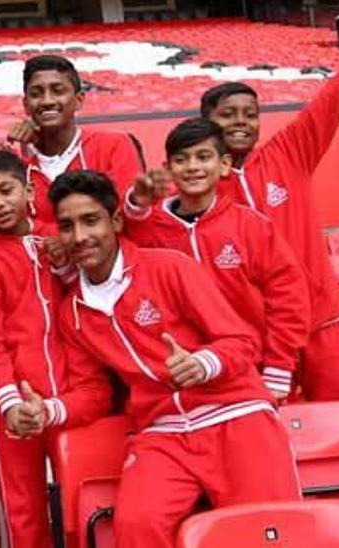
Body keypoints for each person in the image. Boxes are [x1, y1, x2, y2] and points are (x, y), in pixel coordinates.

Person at [43, 170, 300, 548]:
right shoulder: (72, 312)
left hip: (233, 413)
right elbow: (94, 392)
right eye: (67, 226)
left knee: (269, 532)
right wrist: (49, 410)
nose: (80, 236)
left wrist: (203, 363)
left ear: (115, 221)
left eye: (90, 220)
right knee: (134, 527)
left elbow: (241, 340)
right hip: (160, 433)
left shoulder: (168, 266)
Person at [199, 0, 339, 401]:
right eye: (228, 114)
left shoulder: (287, 153)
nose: (241, 121)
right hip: (251, 337)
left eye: (250, 114)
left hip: (318, 324)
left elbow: (335, 98)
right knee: (274, 435)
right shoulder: (194, 184)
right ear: (207, 122)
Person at [124, 119, 310, 402]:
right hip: (181, 371)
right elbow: (124, 237)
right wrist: (138, 202)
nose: (193, 167)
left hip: (252, 368)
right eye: (181, 159)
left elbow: (287, 297)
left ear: (223, 165)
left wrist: (278, 366)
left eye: (203, 157)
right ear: (168, 169)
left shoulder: (251, 226)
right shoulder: (152, 227)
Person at [0, 149, 67, 547]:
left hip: (73, 393)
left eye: (6, 190)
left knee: (81, 492)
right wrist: (9, 402)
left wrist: (62, 260)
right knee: (22, 507)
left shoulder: (61, 236)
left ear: (27, 189)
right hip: (15, 400)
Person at [9, 55, 143, 220]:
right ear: (26, 105)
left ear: (79, 99)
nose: (47, 101)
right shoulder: (15, 164)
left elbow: (126, 217)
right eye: (36, 94)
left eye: (58, 91)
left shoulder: (114, 145)